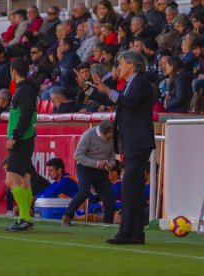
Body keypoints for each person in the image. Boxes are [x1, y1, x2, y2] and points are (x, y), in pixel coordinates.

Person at [74, 50, 155, 244]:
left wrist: (108, 91)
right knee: (132, 189)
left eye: (121, 63)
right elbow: (114, 100)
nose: (118, 67)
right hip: (133, 142)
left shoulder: (141, 83)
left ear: (132, 65)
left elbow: (129, 102)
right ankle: (136, 234)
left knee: (128, 187)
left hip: (138, 141)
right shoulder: (128, 85)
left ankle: (126, 233)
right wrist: (89, 89)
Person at [4, 57, 38, 232]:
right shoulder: (26, 89)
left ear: (14, 71)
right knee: (24, 180)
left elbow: (25, 116)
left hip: (22, 141)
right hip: (26, 140)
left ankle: (25, 218)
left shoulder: (23, 91)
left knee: (10, 181)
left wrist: (15, 137)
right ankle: (26, 218)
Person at [62, 120, 116, 226]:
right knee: (84, 192)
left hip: (101, 170)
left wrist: (112, 164)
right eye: (109, 137)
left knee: (110, 199)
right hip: (85, 168)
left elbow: (111, 154)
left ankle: (108, 224)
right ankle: (67, 215)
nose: (110, 139)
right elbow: (78, 156)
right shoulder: (88, 135)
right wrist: (96, 163)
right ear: (102, 133)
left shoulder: (113, 137)